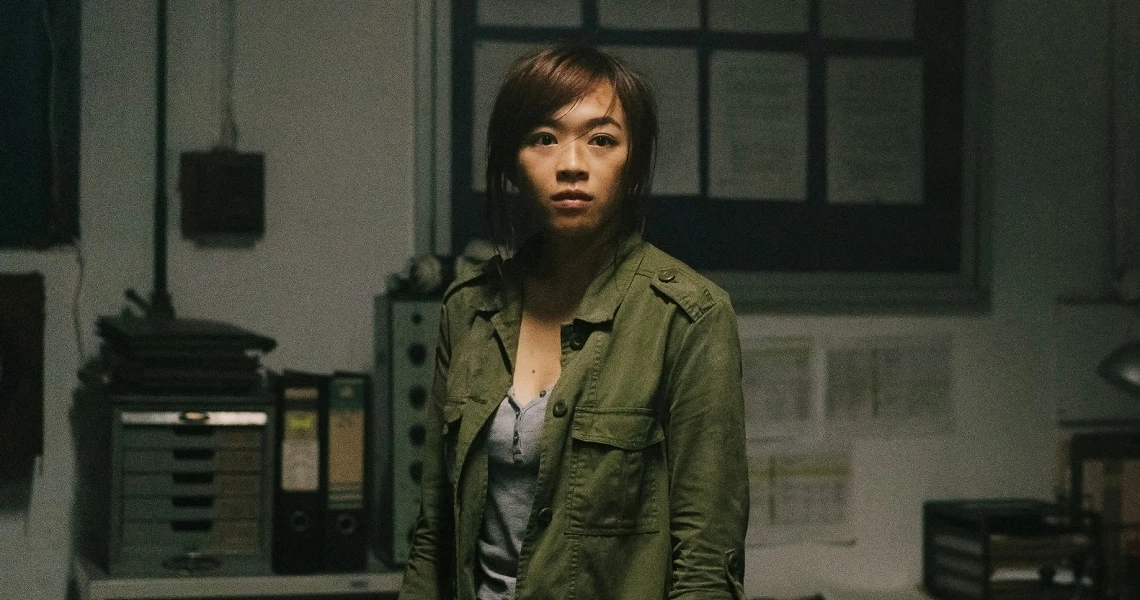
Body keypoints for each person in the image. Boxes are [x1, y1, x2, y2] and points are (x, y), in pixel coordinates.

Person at [399, 45, 748, 600]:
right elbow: (433, 536)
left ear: (632, 163)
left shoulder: (689, 318)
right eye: (543, 138)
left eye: (602, 139)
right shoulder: (467, 309)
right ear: (512, 161)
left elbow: (706, 563)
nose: (571, 164)